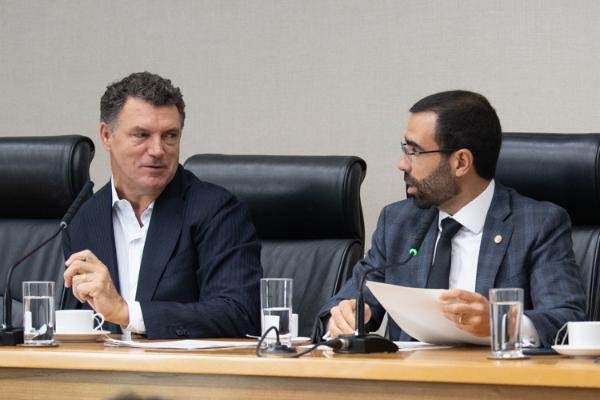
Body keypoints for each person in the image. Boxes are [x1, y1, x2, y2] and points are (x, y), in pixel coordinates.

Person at [316, 90, 586, 347]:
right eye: (405, 148)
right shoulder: (398, 222)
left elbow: (567, 322)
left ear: (461, 162)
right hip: (408, 377)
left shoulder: (537, 224)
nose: (402, 163)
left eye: (414, 151)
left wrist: (501, 323)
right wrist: (340, 319)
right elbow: (342, 305)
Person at [62, 72, 262, 339]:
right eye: (141, 135)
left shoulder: (217, 210)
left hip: (183, 366)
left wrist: (127, 313)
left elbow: (239, 313)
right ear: (106, 135)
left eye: (169, 136)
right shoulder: (83, 220)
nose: (157, 150)